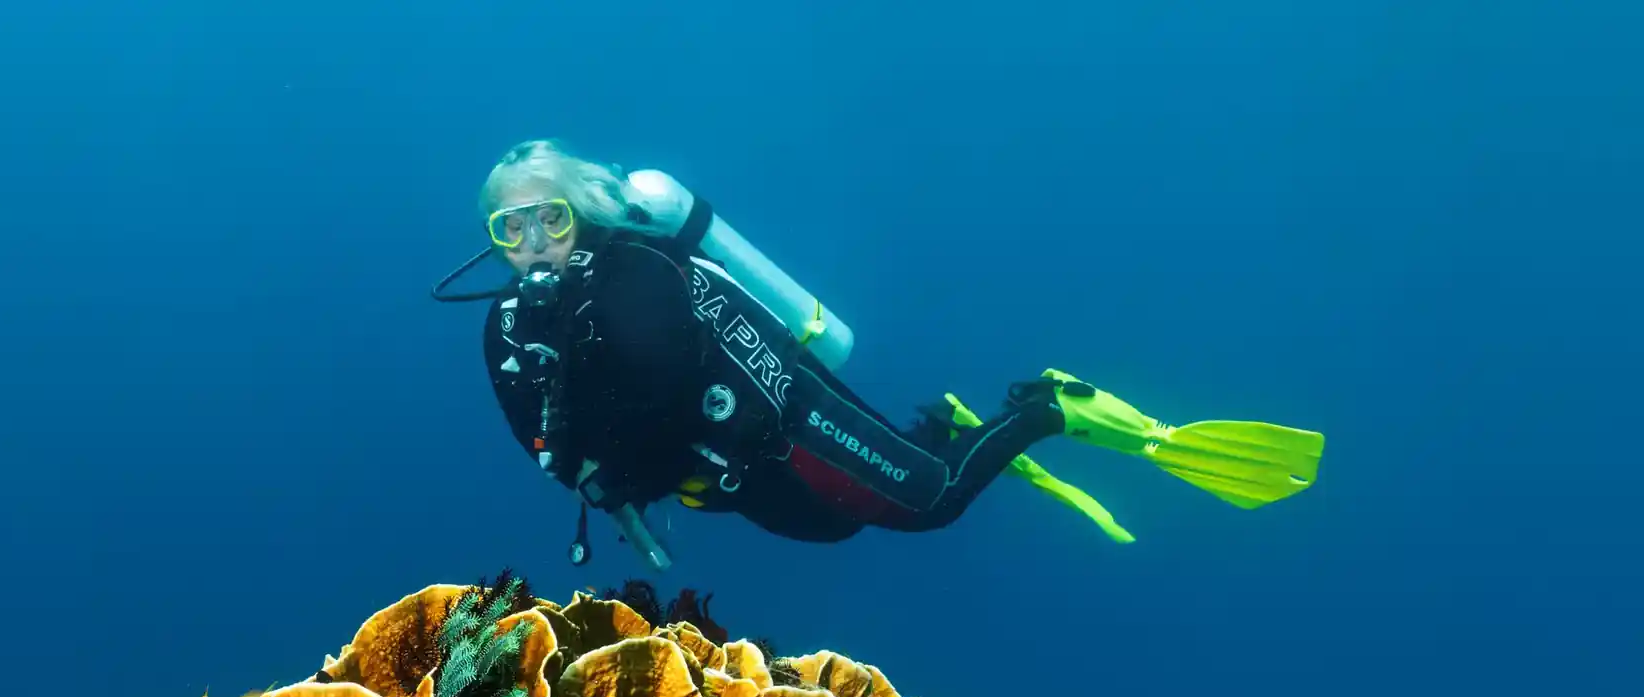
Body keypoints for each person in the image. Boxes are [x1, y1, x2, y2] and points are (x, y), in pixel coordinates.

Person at [431, 139, 1325, 570]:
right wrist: (596, 473)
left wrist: (600, 430)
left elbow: (662, 377)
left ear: (584, 210)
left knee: (925, 506)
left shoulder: (632, 271)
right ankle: (944, 430)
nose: (535, 242)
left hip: (786, 421)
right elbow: (543, 442)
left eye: (551, 216)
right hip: (722, 475)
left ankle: (1049, 407)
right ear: (492, 240)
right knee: (835, 526)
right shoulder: (504, 327)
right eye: (511, 227)